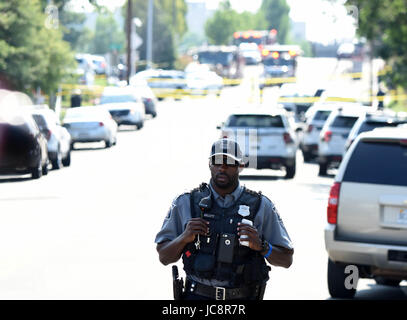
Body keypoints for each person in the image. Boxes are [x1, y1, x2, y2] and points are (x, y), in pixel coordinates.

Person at [155, 138, 294, 300]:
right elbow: (164, 257)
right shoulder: (185, 202)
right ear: (209, 164)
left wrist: (262, 247)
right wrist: (184, 238)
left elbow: (286, 259)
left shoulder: (261, 206)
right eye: (217, 161)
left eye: (229, 162)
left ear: (240, 166)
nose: (222, 167)